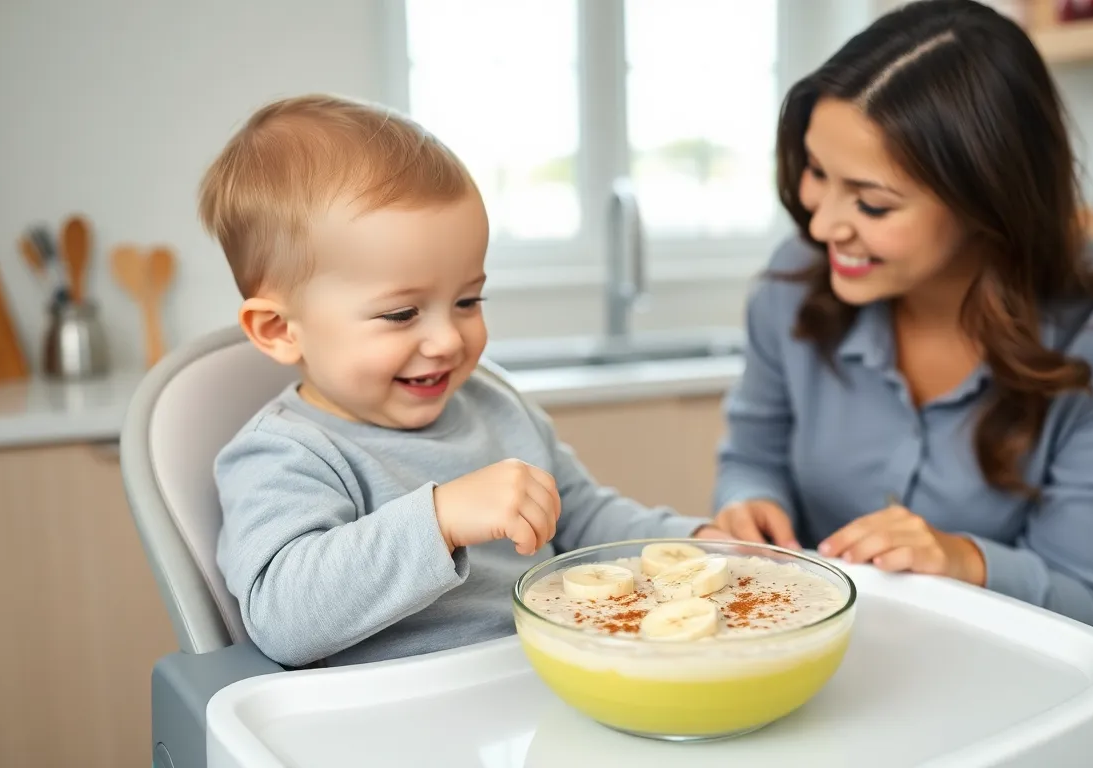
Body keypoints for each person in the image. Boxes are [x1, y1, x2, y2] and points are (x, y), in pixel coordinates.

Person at [708, 0, 1093, 650]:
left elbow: (1092, 609)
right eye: (818, 172)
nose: (820, 226)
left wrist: (960, 559)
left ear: (987, 200)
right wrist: (749, 501)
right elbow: (752, 457)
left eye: (872, 203)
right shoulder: (796, 281)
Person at [199, 94, 715, 669]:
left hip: (538, 682)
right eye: (401, 313)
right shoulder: (284, 454)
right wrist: (439, 519)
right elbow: (284, 618)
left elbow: (586, 518)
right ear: (278, 329)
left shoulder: (496, 407)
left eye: (468, 299)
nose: (448, 340)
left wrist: (698, 539)